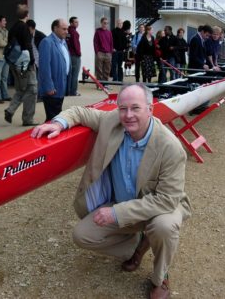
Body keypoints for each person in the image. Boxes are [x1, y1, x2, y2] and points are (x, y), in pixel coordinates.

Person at [31, 83, 191, 299]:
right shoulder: (112, 121)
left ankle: (159, 277)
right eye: (122, 108)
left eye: (135, 108)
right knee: (82, 236)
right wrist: (59, 123)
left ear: (150, 109)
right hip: (122, 201)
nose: (128, 115)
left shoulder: (170, 147)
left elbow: (166, 200)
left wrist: (115, 213)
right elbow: (80, 112)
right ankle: (137, 246)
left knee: (163, 227)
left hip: (160, 207)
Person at [4, 4, 38, 127]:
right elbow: (28, 46)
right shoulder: (24, 28)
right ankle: (27, 119)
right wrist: (33, 62)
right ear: (27, 15)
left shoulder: (12, 28)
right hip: (25, 64)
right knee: (32, 89)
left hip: (14, 64)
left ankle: (10, 110)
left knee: (21, 89)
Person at [38, 19, 70, 121]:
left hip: (60, 86)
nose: (66, 31)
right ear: (55, 28)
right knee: (53, 119)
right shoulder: (47, 42)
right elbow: (44, 67)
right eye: (64, 29)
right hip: (52, 90)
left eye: (67, 29)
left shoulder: (63, 42)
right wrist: (49, 86)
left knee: (56, 117)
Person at [188, 24, 213, 115]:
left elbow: (204, 54)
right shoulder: (195, 39)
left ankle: (200, 106)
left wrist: (212, 66)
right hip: (195, 69)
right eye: (206, 35)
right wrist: (202, 64)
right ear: (202, 32)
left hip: (200, 68)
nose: (207, 37)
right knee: (197, 88)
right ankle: (195, 108)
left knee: (204, 86)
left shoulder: (201, 40)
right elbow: (192, 56)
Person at [93, 17, 113, 82]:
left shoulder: (109, 32)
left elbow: (111, 43)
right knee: (99, 70)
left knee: (107, 70)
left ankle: (105, 83)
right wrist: (97, 52)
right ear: (101, 23)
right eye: (104, 23)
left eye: (107, 23)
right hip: (100, 53)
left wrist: (110, 52)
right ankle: (99, 84)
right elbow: (95, 42)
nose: (105, 24)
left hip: (108, 53)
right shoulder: (98, 32)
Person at [66, 16, 82, 96]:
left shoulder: (67, 31)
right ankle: (73, 92)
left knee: (70, 74)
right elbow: (76, 44)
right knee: (75, 74)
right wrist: (79, 53)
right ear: (71, 23)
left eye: (77, 22)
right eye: (75, 22)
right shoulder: (74, 32)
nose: (77, 23)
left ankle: (68, 91)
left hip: (69, 55)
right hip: (75, 56)